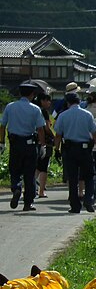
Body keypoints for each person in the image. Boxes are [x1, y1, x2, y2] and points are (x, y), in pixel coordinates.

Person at [0, 82, 46, 211]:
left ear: (20, 93)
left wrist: (2, 142)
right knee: (29, 174)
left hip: (15, 144)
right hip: (30, 144)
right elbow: (40, 129)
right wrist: (42, 145)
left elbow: (2, 126)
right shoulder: (35, 109)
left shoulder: (10, 107)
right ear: (32, 95)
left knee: (15, 170)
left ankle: (16, 188)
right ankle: (28, 203)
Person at [54, 92, 96, 213]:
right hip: (85, 149)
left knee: (73, 178)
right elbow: (94, 134)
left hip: (70, 149)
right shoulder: (87, 114)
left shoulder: (63, 115)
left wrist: (56, 150)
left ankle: (75, 205)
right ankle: (89, 200)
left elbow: (58, 135)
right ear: (79, 102)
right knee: (89, 176)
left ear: (67, 102)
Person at [34, 93, 55, 199]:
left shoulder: (33, 109)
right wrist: (53, 137)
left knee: (36, 166)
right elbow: (46, 128)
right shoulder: (43, 112)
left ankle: (30, 187)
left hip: (34, 141)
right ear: (42, 101)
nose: (49, 102)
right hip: (45, 142)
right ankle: (41, 191)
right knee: (43, 167)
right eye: (48, 100)